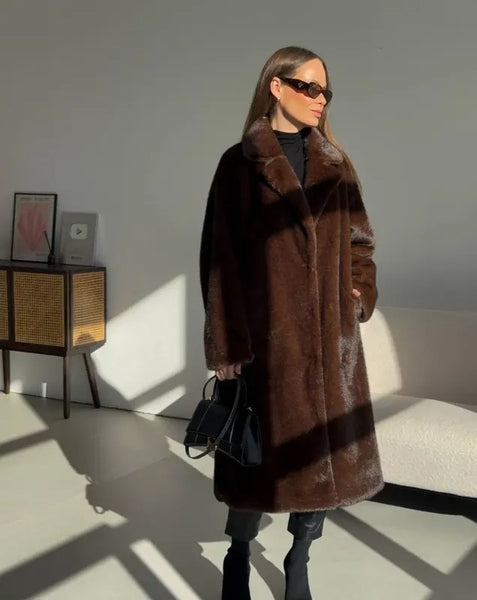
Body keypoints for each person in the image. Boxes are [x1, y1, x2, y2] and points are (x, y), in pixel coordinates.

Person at [199, 46, 384, 600]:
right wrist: (227, 346)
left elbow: (360, 243)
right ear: (276, 87)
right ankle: (238, 553)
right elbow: (219, 260)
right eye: (309, 87)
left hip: (332, 348)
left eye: (326, 91)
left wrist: (357, 293)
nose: (320, 99)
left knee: (324, 464)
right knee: (252, 459)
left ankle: (300, 556)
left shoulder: (336, 164)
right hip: (266, 347)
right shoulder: (239, 165)